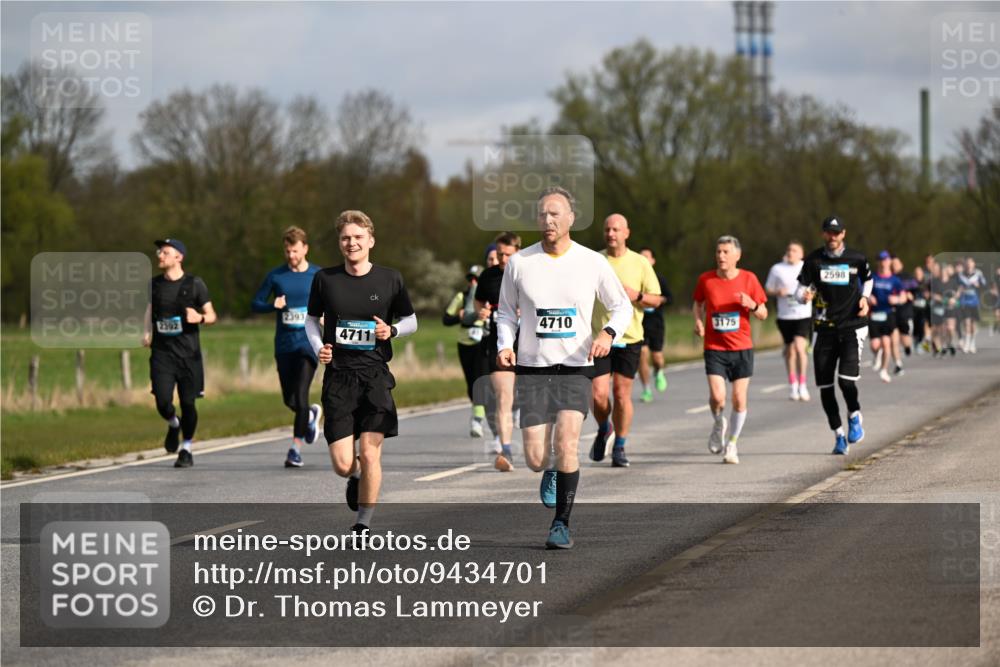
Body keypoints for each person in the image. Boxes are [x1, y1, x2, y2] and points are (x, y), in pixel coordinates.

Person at [495, 186, 630, 549]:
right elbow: (505, 312)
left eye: (556, 213)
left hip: (575, 366)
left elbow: (621, 307)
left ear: (571, 218)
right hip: (533, 367)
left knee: (567, 443)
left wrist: (607, 333)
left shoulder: (591, 262)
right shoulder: (521, 263)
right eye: (543, 214)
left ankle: (561, 525)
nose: (548, 220)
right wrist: (505, 345)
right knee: (538, 458)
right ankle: (550, 468)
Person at [305, 210, 417, 535]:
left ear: (370, 240)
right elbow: (312, 320)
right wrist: (319, 348)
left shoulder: (390, 278)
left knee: (370, 453)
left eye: (357, 237)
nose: (351, 243)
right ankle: (354, 477)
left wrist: (392, 331)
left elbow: (412, 320)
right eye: (345, 238)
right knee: (343, 464)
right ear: (339, 243)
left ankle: (363, 524)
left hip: (375, 376)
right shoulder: (325, 279)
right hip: (339, 378)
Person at [589, 214, 662, 467]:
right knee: (598, 395)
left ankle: (620, 445)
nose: (611, 234)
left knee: (621, 394)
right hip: (599, 338)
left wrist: (637, 295)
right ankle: (603, 428)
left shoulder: (640, 263)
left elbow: (656, 299)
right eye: (607, 229)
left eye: (616, 230)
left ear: (626, 233)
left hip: (629, 337)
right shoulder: (594, 261)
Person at [796, 216, 872, 455]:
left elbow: (868, 280)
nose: (833, 237)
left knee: (846, 381)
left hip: (852, 325)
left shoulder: (857, 258)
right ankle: (838, 435)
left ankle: (854, 414)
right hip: (823, 328)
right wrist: (803, 296)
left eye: (836, 233)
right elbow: (799, 288)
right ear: (823, 235)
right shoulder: (814, 260)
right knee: (826, 387)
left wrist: (864, 298)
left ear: (843, 234)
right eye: (829, 232)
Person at [251, 226, 323, 468]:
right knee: (290, 401)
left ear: (305, 248)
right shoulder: (276, 276)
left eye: (294, 250)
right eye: (287, 251)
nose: (291, 255)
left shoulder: (317, 275)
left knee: (301, 397)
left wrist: (324, 316)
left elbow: (332, 302)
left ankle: (295, 449)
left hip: (308, 344)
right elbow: (255, 303)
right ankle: (311, 416)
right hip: (284, 345)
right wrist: (273, 305)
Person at [693, 235, 768, 464]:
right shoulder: (706, 279)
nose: (721, 256)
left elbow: (763, 314)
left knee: (738, 398)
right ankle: (718, 422)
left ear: (737, 255)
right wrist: (698, 321)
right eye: (718, 252)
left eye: (726, 252)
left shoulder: (749, 279)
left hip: (742, 348)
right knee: (718, 396)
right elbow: (698, 303)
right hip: (715, 347)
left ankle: (732, 444)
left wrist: (752, 305)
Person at [143, 239, 217, 468]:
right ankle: (174, 424)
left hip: (188, 356)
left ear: (179, 257)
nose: (160, 255)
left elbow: (212, 315)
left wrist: (200, 318)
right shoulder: (153, 285)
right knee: (163, 402)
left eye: (165, 252)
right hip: (162, 354)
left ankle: (186, 448)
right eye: (159, 251)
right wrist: (146, 332)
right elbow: (148, 310)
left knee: (188, 403)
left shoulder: (195, 284)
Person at [475, 232, 522, 471]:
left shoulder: (529, 274)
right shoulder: (488, 276)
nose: (503, 259)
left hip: (530, 346)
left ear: (518, 252)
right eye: (500, 254)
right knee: (503, 397)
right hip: (499, 344)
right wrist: (481, 313)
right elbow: (478, 302)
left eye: (508, 255)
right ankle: (506, 450)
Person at [442, 264, 488, 438]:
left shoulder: (487, 297)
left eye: (476, 279)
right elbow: (446, 319)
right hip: (464, 342)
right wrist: (458, 316)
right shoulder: (462, 296)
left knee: (479, 380)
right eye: (471, 279)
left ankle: (477, 419)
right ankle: (478, 409)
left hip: (482, 342)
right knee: (471, 383)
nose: (473, 282)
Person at [765, 241, 812, 401]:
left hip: (803, 314)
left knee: (800, 347)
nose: (791, 252)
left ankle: (803, 385)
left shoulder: (807, 267)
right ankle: (793, 384)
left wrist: (809, 294)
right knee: (790, 351)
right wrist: (777, 291)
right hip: (785, 316)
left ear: (801, 254)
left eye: (794, 250)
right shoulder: (777, 269)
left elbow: (815, 286)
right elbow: (768, 289)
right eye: (789, 249)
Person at [637, 247, 673, 403]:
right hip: (639, 322)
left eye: (646, 257)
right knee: (642, 354)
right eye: (641, 257)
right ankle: (646, 390)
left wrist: (657, 300)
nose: (644, 260)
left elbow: (670, 299)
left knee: (657, 357)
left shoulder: (660, 279)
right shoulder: (635, 279)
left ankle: (659, 371)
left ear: (653, 261)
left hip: (656, 323)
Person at [869, 251, 903, 383]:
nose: (883, 262)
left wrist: (897, 299)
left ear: (889, 262)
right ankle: (876, 354)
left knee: (887, 343)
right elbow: (863, 290)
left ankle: (884, 370)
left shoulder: (895, 280)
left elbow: (903, 295)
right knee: (875, 345)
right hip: (874, 314)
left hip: (888, 313)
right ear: (878, 262)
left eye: (885, 260)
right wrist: (869, 297)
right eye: (881, 260)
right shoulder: (873, 277)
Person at [957, 256, 987, 353]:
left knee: (973, 324)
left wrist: (978, 285)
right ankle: (967, 342)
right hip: (965, 302)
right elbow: (957, 286)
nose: (969, 264)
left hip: (975, 301)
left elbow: (984, 284)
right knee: (967, 323)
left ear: (974, 264)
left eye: (971, 262)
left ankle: (972, 343)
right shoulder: (961, 275)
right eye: (967, 262)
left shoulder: (978, 274)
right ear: (965, 264)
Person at [892, 256, 918, 359]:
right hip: (892, 312)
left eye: (896, 264)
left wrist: (911, 295)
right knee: (894, 338)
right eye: (892, 264)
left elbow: (917, 290)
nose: (894, 266)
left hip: (905, 312)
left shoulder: (908, 277)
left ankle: (907, 347)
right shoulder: (889, 277)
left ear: (901, 265)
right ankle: (898, 364)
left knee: (904, 337)